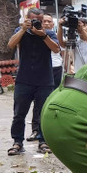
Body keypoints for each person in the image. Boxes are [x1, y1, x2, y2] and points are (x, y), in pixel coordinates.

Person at [6, 8, 60, 155]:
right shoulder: (21, 31)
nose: (38, 22)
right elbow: (11, 45)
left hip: (45, 80)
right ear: (27, 19)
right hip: (24, 80)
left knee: (44, 113)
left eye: (40, 20)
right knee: (19, 113)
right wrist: (23, 29)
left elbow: (56, 49)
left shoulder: (48, 33)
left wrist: (43, 36)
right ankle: (17, 142)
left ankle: (43, 141)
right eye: (34, 19)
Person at [28, 13, 62, 142]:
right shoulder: (35, 36)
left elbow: (60, 51)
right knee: (38, 102)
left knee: (55, 100)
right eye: (44, 21)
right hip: (42, 71)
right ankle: (36, 130)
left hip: (56, 69)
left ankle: (52, 130)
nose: (47, 23)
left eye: (49, 22)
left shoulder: (54, 36)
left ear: (52, 24)